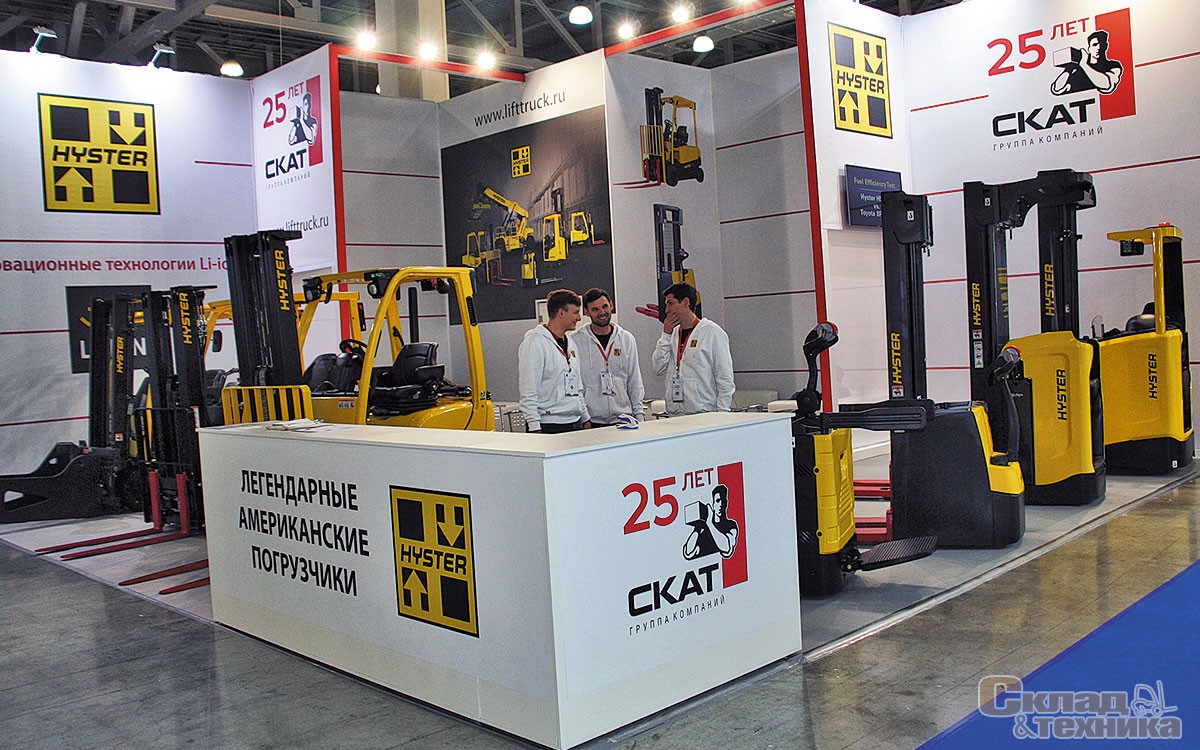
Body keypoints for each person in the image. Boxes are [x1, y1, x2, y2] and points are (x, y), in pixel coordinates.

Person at [652, 282, 734, 415]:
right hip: (675, 413)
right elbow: (658, 368)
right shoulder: (672, 334)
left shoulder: (711, 332)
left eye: (670, 303)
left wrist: (722, 413)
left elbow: (724, 377)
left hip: (704, 413)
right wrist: (666, 335)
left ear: (686, 302)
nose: (667, 310)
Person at [518, 289, 591, 433]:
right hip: (548, 424)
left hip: (575, 422)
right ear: (561, 313)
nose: (579, 318)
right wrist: (534, 426)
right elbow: (528, 389)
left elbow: (577, 386)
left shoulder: (570, 343)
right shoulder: (534, 342)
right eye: (575, 312)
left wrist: (585, 417)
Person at [572, 288, 645, 427]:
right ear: (586, 312)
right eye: (595, 309)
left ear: (611, 305)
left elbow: (634, 380)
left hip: (624, 419)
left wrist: (639, 416)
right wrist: (584, 418)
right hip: (591, 421)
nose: (602, 312)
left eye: (605, 306)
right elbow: (576, 385)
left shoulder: (626, 338)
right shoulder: (575, 341)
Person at [1051, 30, 1123, 96]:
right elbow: (1057, 89)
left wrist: (1084, 64)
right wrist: (1069, 68)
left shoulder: (1113, 66)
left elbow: (1107, 84)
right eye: (1095, 45)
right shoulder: (1077, 70)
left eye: (1101, 44)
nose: (1098, 48)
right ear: (1089, 48)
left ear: (1106, 46)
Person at [682, 484, 740, 560]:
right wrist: (698, 527)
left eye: (723, 501)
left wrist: (710, 523)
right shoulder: (703, 528)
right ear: (713, 504)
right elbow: (688, 552)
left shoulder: (731, 525)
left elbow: (727, 548)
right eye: (718, 501)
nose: (720, 505)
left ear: (726, 503)